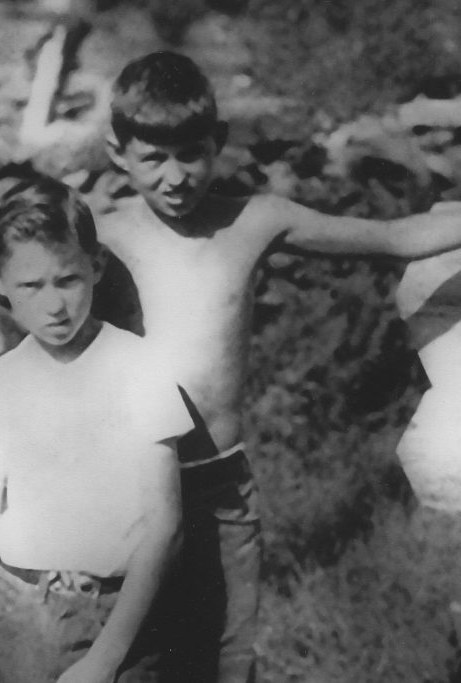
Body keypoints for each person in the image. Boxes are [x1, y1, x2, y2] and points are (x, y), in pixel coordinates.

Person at [99, 50, 461, 683]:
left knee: (228, 652)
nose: (176, 176)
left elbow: (395, 239)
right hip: (133, 480)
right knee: (139, 653)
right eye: (154, 158)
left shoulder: (253, 220)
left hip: (222, 480)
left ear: (218, 143)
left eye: (191, 154)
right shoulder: (106, 234)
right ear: (118, 152)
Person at [0, 177, 193, 683]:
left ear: (97, 267)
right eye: (31, 286)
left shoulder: (138, 366)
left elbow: (165, 524)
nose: (54, 306)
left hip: (119, 615)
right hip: (18, 617)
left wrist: (105, 660)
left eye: (68, 280)